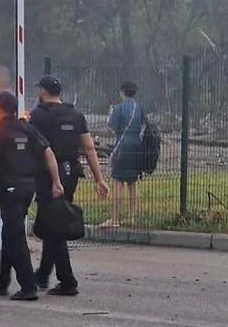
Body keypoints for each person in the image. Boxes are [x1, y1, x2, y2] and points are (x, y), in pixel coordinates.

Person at [0, 91, 63, 301]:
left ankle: (28, 286)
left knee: (14, 236)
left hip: (10, 189)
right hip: (28, 188)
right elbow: (48, 153)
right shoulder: (27, 128)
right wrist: (56, 181)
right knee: (9, 232)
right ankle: (3, 279)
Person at [28, 75, 109, 296]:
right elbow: (89, 148)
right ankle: (43, 274)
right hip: (71, 173)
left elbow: (33, 147)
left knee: (54, 227)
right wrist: (99, 178)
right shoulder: (75, 114)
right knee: (54, 221)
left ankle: (67, 280)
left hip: (48, 175)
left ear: (43, 91)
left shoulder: (38, 116)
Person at [103, 80, 145, 228]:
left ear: (122, 92)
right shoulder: (139, 107)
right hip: (136, 147)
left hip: (122, 147)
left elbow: (110, 128)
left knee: (118, 182)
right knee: (133, 183)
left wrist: (110, 116)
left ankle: (115, 218)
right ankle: (132, 217)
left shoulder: (118, 108)